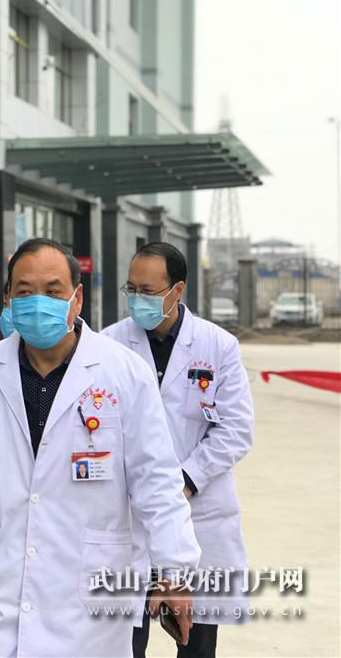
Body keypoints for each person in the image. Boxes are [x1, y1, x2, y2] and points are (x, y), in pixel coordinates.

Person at [0, 238, 201, 658]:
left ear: (77, 298)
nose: (38, 303)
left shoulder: (124, 374)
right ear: (8, 298)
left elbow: (156, 482)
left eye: (53, 291)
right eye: (25, 291)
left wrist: (174, 570)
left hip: (88, 602)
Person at [102, 242, 254, 658]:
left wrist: (185, 480)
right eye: (131, 289)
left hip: (198, 510)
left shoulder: (217, 345)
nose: (138, 299)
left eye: (149, 291)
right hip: (130, 514)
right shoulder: (109, 344)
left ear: (177, 290)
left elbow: (236, 428)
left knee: (196, 642)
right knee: (124, 638)